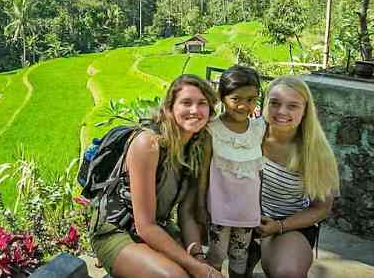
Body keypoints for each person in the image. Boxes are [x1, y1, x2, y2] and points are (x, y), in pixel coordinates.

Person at [89, 74, 224, 278]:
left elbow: (186, 214)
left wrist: (198, 258)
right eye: (186, 103)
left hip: (157, 227)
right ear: (169, 109)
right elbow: (145, 226)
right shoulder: (149, 144)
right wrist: (197, 268)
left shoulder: (199, 146)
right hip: (117, 229)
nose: (195, 111)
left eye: (202, 104)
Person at [247, 76, 340, 278]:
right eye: (275, 103)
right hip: (240, 219)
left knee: (287, 272)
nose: (282, 111)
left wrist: (279, 226)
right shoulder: (246, 135)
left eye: (292, 106)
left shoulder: (316, 151)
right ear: (264, 104)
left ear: (305, 111)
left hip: (288, 224)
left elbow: (321, 207)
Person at [197, 65, 265, 278]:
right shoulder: (212, 130)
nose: (244, 105)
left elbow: (259, 173)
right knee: (216, 254)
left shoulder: (258, 129)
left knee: (240, 254)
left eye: (251, 99)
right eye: (236, 99)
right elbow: (203, 172)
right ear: (222, 97)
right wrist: (200, 206)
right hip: (219, 209)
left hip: (247, 209)